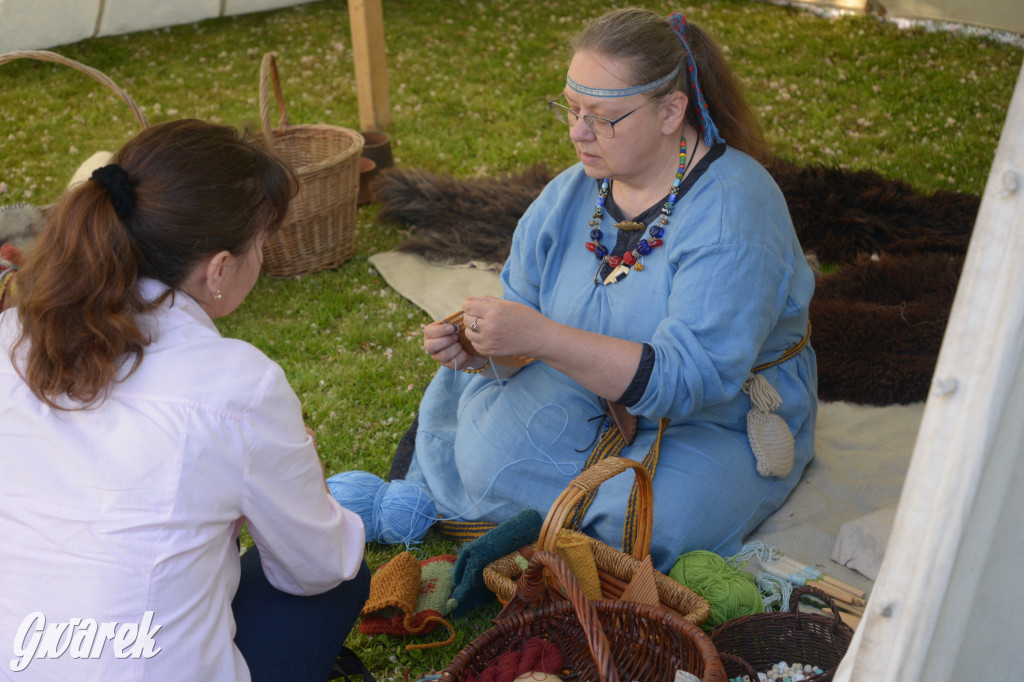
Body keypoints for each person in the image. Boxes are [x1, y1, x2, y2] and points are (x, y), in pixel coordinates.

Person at [406, 7, 817, 572]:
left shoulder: (733, 214)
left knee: (649, 528)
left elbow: (691, 377)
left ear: (672, 110)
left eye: (603, 118)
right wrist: (485, 347)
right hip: (580, 384)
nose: (578, 133)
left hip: (713, 413)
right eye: (572, 110)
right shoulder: (570, 194)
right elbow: (522, 305)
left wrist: (544, 338)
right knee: (484, 460)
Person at [0, 119, 369, 681]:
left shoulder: (11, 336)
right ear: (218, 268)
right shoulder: (238, 385)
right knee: (346, 569)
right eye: (262, 243)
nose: (262, 258)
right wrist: (304, 476)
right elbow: (317, 567)